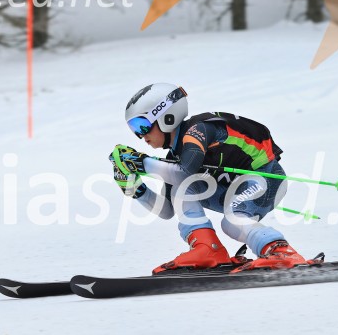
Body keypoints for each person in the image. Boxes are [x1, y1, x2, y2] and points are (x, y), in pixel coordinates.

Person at [111, 82, 309, 274]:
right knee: (182, 187)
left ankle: (280, 250)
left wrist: (142, 163)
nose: (141, 136)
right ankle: (208, 248)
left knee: (231, 222)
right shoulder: (174, 157)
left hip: (267, 177)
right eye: (134, 129)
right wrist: (135, 188)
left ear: (166, 117)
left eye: (142, 125)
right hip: (233, 187)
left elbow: (185, 170)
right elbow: (167, 209)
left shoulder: (199, 130)